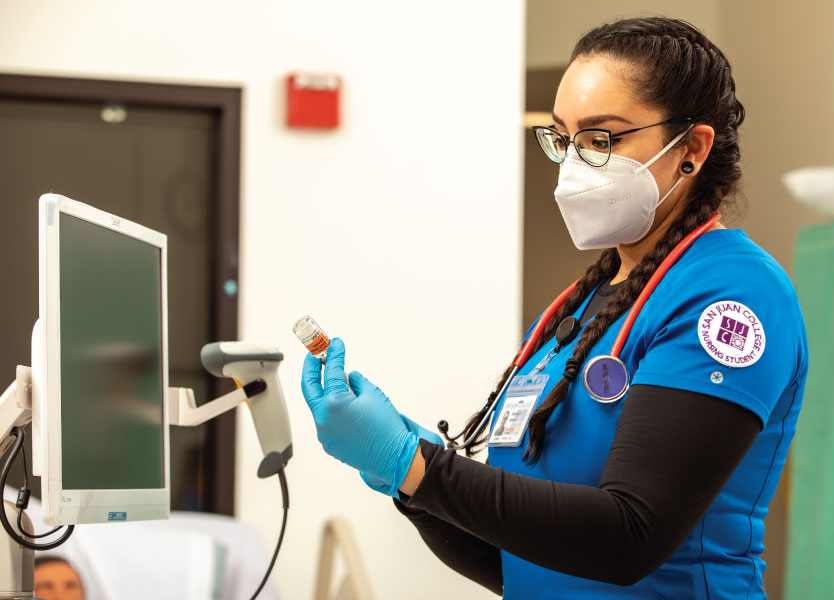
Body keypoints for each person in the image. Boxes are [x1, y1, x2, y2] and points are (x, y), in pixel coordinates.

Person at [300, 16, 807, 599]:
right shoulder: (586, 305)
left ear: (691, 148)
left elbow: (628, 537)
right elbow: (521, 561)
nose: (573, 164)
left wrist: (418, 464)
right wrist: (410, 481)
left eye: (601, 140)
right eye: (564, 139)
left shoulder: (731, 293)